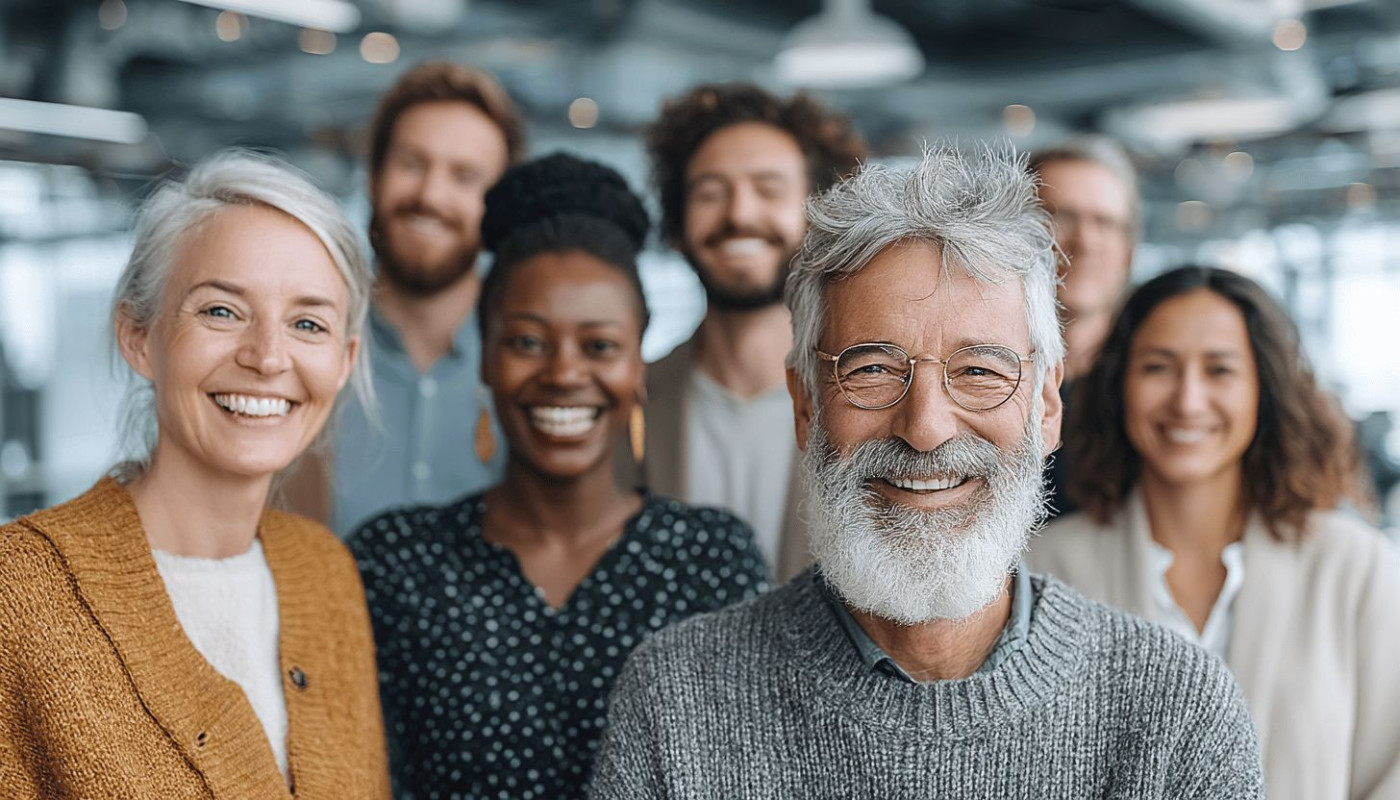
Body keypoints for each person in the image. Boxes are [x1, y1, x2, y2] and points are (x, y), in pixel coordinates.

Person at [589, 147, 1263, 799]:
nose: (926, 428)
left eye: (980, 371)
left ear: (1047, 405)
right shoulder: (675, 700)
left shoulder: (1177, 711)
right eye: (872, 369)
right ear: (805, 406)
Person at [350, 154, 771, 799]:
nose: (564, 374)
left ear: (637, 361)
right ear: (485, 355)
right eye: (527, 342)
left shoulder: (711, 560)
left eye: (599, 346)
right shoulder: (396, 563)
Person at [0, 152, 390, 798]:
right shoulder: (19, 592)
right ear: (138, 335)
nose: (268, 357)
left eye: (307, 324)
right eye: (221, 311)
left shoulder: (326, 575)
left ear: (344, 361)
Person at [1026, 265, 1400, 800]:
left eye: (1220, 370)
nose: (1188, 400)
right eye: (1158, 367)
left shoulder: (1354, 567)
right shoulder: (1046, 568)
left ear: (1264, 389)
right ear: (1119, 385)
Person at [283, 61, 526, 535]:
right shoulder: (298, 349)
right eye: (412, 164)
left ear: (500, 207)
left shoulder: (534, 366)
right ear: (374, 177)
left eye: (465, 176)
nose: (431, 195)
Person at [638, 83, 865, 580]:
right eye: (710, 192)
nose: (739, 213)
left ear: (821, 221)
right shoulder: (629, 400)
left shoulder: (869, 402)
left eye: (769, 189)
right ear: (677, 227)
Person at [1030, 135, 1139, 516]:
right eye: (1061, 216)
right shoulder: (977, 374)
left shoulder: (1153, 384)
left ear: (1129, 251)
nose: (1085, 241)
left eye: (1105, 223)